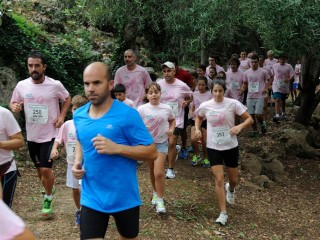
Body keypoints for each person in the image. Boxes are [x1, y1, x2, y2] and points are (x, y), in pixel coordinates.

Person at [72, 62, 157, 240]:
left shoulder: (128, 114)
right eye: (87, 84)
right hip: (91, 197)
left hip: (124, 197)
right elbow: (81, 139)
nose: (91, 89)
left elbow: (151, 152)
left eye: (97, 83)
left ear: (110, 84)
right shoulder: (79, 115)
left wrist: (117, 148)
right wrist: (77, 162)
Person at [10, 51, 71, 216]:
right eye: (31, 65)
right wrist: (14, 106)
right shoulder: (22, 85)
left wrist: (62, 116)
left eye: (37, 65)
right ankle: (48, 186)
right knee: (39, 170)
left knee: (45, 169)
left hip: (51, 133)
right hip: (32, 135)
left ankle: (48, 198)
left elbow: (66, 98)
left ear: (44, 66)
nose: (34, 68)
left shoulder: (55, 85)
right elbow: (14, 101)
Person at [195, 79, 253, 226]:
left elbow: (249, 119)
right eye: (215, 91)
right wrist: (197, 129)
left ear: (224, 91)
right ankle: (223, 213)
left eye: (220, 91)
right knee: (219, 179)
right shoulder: (206, 105)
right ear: (211, 91)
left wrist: (239, 127)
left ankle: (231, 189)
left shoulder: (233, 103)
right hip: (213, 146)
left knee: (233, 179)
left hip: (230, 145)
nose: (217, 94)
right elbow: (198, 117)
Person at [137, 82, 176, 214]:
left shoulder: (166, 108)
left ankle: (160, 200)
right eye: (151, 93)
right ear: (147, 95)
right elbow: (135, 125)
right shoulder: (142, 109)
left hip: (161, 143)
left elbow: (172, 120)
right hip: (148, 144)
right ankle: (155, 191)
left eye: (156, 92)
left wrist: (171, 130)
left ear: (160, 94)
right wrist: (142, 128)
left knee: (159, 172)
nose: (154, 95)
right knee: (152, 169)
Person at [50, 95, 88, 225]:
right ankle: (79, 210)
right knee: (75, 189)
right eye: (74, 109)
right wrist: (54, 149)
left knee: (85, 188)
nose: (76, 112)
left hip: (87, 164)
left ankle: (88, 212)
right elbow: (58, 139)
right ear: (72, 109)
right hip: (71, 163)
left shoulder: (90, 124)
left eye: (80, 109)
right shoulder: (67, 125)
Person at [158, 61, 192, 179]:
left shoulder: (181, 85)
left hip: (177, 118)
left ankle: (170, 169)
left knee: (171, 142)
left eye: (169, 71)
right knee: (166, 143)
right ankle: (175, 149)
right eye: (164, 71)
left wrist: (186, 102)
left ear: (174, 71)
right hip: (162, 118)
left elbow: (190, 96)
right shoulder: (159, 84)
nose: (166, 73)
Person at [169, 57, 194, 159]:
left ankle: (183, 147)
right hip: (168, 107)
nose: (170, 69)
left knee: (182, 129)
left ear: (177, 66)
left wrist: (186, 100)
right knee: (169, 128)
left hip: (181, 107)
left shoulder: (185, 74)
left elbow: (192, 87)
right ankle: (172, 147)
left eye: (173, 66)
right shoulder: (163, 80)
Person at [0, 106, 24, 208]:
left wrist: (1, 144)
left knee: (4, 212)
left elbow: (19, 141)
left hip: (5, 169)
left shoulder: (4, 113)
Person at [244, 55, 271, 136]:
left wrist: (266, 88)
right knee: (251, 116)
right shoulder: (246, 72)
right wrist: (242, 90)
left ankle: (263, 124)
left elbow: (270, 79)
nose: (254, 63)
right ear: (250, 63)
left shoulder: (263, 72)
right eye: (252, 62)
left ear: (258, 62)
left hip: (260, 96)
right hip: (250, 96)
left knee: (258, 114)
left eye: (256, 62)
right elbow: (245, 83)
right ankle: (255, 131)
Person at [189, 77, 212, 167]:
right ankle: (196, 154)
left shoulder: (210, 94)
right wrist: (191, 111)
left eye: (203, 85)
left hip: (206, 119)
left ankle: (206, 158)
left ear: (206, 85)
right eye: (199, 85)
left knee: (204, 141)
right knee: (193, 139)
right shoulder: (194, 94)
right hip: (195, 118)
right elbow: (193, 105)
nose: (201, 87)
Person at [271, 54, 295, 123]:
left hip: (285, 85)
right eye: (280, 59)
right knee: (277, 99)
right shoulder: (275, 66)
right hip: (276, 84)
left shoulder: (289, 66)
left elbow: (292, 75)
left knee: (283, 100)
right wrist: (270, 83)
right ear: (278, 60)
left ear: (285, 59)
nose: (282, 60)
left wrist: (288, 79)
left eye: (283, 59)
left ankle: (283, 112)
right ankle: (277, 115)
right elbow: (272, 75)